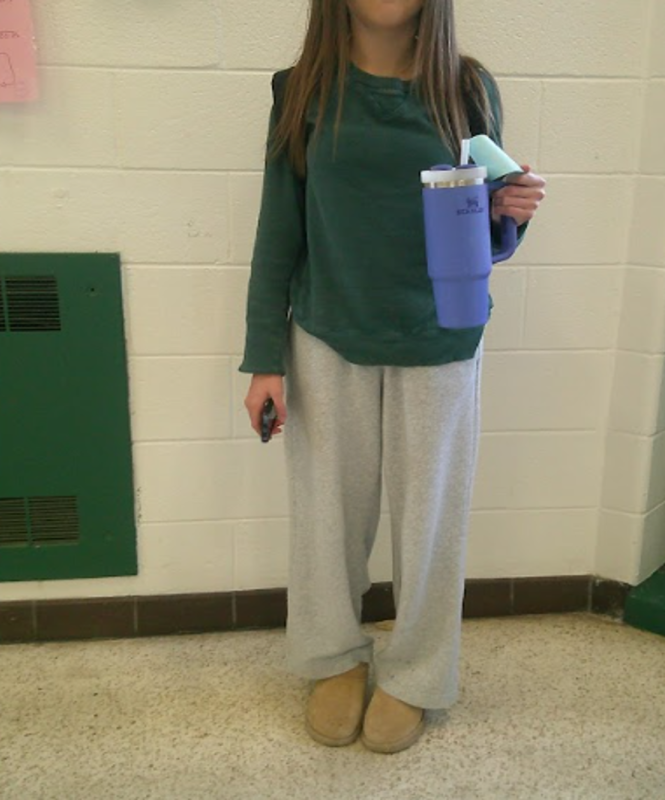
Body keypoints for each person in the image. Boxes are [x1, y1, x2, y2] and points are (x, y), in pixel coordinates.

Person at [239, 0, 546, 754]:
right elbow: (279, 227)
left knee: (430, 522)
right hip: (327, 333)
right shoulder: (301, 90)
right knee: (327, 517)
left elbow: (481, 229)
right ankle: (332, 657)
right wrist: (264, 358)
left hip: (441, 336)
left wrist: (512, 212)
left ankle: (416, 674)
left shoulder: (469, 90)